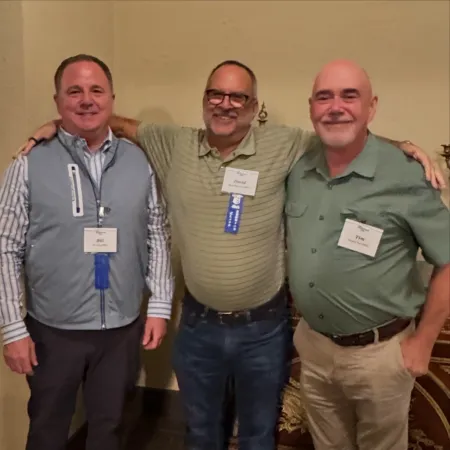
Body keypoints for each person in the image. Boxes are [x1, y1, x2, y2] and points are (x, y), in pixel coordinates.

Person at [18, 60, 444, 450]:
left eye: (238, 96)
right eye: (215, 95)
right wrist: (58, 124)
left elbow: (343, 132)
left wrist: (402, 144)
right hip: (199, 326)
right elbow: (111, 119)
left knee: (258, 432)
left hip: (264, 328)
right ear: (204, 100)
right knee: (201, 430)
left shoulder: (286, 146)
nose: (226, 104)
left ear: (253, 105)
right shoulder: (173, 145)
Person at [0, 54, 174, 450]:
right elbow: (4, 248)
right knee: (46, 430)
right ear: (58, 101)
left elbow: (157, 233)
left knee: (108, 429)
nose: (86, 100)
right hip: (52, 331)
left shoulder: (140, 161)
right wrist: (12, 329)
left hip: (120, 329)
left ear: (112, 99)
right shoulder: (28, 164)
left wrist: (160, 305)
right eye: (74, 91)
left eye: (96, 90)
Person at [285, 59, 450, 450]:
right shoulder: (298, 168)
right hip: (314, 345)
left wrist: (424, 341)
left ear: (371, 107)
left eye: (349, 96)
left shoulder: (406, 175)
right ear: (311, 107)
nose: (335, 107)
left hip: (380, 355)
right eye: (324, 97)